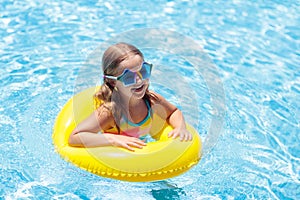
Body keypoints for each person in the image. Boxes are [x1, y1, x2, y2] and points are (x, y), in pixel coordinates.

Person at [69, 42, 192, 151]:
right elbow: (75, 137)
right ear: (113, 82)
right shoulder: (110, 111)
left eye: (143, 71)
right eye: (128, 77)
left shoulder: (152, 100)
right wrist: (112, 139)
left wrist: (180, 127)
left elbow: (174, 112)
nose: (139, 80)